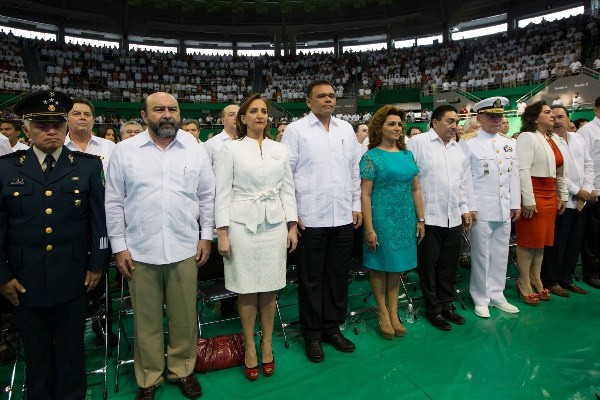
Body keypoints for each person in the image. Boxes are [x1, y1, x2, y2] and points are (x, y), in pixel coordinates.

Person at [0, 90, 109, 399]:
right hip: (24, 279)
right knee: (35, 353)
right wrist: (3, 275)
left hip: (74, 276)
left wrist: (97, 266)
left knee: (72, 351)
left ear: (65, 127)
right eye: (41, 124)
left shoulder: (87, 166)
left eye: (56, 124)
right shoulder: (6, 168)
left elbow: (99, 223)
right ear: (26, 129)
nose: (50, 131)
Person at [105, 92, 214, 400]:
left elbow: (207, 196)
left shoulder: (195, 150)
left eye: (172, 109)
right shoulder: (125, 151)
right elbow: (113, 202)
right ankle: (149, 377)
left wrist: (206, 235)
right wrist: (119, 246)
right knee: (146, 321)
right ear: (144, 115)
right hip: (140, 250)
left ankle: (182, 369)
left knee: (184, 317)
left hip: (184, 247)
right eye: (159, 109)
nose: (167, 114)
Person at [215, 94, 298, 380]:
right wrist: (222, 233)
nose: (260, 115)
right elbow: (222, 192)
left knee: (270, 286)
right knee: (247, 286)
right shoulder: (231, 149)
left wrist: (292, 225)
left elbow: (288, 189)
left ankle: (267, 344)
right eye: (254, 111)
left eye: (264, 111)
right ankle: (249, 344)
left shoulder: (280, 149)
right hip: (241, 225)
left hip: (274, 224)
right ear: (243, 117)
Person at [282, 80, 362, 363]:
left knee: (338, 277)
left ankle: (332, 327)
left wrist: (355, 205)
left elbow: (354, 170)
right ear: (308, 101)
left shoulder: (345, 130)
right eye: (321, 96)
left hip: (342, 216)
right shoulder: (295, 131)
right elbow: (286, 175)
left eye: (331, 96)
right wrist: (292, 215)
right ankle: (312, 334)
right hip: (310, 218)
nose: (328, 100)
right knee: (311, 279)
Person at [360, 105, 424, 339]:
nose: (397, 128)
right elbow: (365, 194)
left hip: (405, 217)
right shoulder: (371, 156)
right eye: (391, 124)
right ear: (380, 127)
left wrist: (420, 218)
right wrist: (369, 228)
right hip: (381, 218)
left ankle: (394, 311)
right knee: (380, 266)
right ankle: (382, 312)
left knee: (396, 267)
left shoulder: (408, 155)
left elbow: (416, 189)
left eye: (399, 124)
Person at [407, 105, 472, 331]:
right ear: (434, 122)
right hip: (428, 218)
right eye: (449, 121)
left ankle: (447, 304)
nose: (454, 126)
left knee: (448, 266)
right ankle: (433, 308)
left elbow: (461, 183)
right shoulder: (418, 143)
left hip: (452, 217)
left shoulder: (458, 149)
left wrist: (464, 208)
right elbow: (409, 180)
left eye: (456, 122)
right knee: (428, 267)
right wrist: (417, 217)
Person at [459, 97, 521, 318]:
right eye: (492, 116)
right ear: (480, 118)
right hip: (481, 209)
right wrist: (469, 207)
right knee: (481, 255)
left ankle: (497, 294)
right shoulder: (468, 142)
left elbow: (514, 175)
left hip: (504, 208)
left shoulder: (509, 143)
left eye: (500, 116)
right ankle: (481, 297)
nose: (497, 120)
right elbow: (465, 178)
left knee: (500, 253)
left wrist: (515, 204)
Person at [65, 97, 118, 346]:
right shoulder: (59, 148)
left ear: (93, 119)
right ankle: (70, 332)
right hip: (69, 224)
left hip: (104, 221)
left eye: (87, 114)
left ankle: (103, 327)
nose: (82, 118)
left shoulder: (109, 148)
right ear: (67, 118)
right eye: (76, 114)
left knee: (102, 278)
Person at [515, 101, 568, 305]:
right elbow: (523, 170)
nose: (553, 116)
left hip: (549, 193)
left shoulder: (551, 139)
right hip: (534, 193)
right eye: (547, 113)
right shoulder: (528, 137)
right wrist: (528, 200)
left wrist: (561, 195)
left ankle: (536, 277)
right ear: (535, 117)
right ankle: (523, 280)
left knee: (541, 242)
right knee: (529, 241)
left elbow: (561, 171)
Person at [541, 105, 594, 296]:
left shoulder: (578, 138)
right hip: (561, 200)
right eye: (552, 117)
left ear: (568, 118)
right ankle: (551, 280)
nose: (556, 121)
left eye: (561, 117)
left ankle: (567, 278)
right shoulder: (548, 141)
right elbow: (555, 173)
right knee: (557, 243)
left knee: (575, 242)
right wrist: (577, 191)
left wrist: (586, 190)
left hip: (581, 201)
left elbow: (589, 165)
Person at [578, 96, 600, 289]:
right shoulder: (588, 131)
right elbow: (585, 162)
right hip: (595, 190)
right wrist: (590, 186)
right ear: (596, 109)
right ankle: (590, 272)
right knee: (593, 235)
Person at [205, 104, 239, 172]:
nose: (236, 117)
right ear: (222, 121)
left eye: (239, 114)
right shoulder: (210, 144)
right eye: (232, 115)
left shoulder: (249, 142)